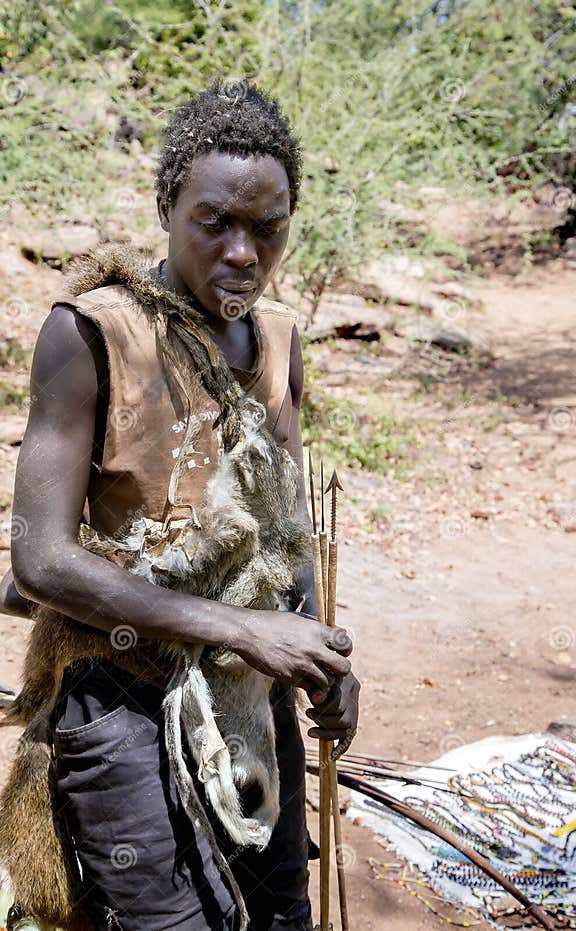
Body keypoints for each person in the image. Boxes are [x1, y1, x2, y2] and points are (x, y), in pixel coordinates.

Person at [2, 81, 360, 931]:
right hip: (124, 694)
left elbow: (285, 532)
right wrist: (241, 628)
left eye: (267, 229)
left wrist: (324, 654)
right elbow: (40, 560)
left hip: (252, 699)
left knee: (280, 915)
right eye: (215, 222)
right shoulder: (92, 334)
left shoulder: (277, 343)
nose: (243, 251)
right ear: (169, 207)